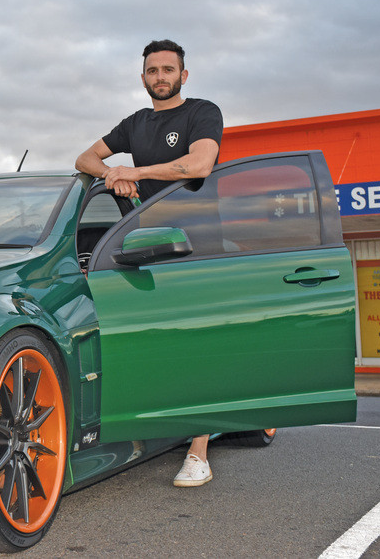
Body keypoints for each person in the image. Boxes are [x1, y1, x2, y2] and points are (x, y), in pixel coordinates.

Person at [75, 39, 223, 487]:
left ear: (183, 74)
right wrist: (111, 176)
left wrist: (132, 173)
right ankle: (151, 424)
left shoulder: (202, 112)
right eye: (152, 71)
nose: (160, 77)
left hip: (195, 243)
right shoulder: (135, 124)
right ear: (143, 77)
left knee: (198, 344)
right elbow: (84, 158)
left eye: (168, 69)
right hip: (143, 245)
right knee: (156, 343)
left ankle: (199, 452)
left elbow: (199, 165)